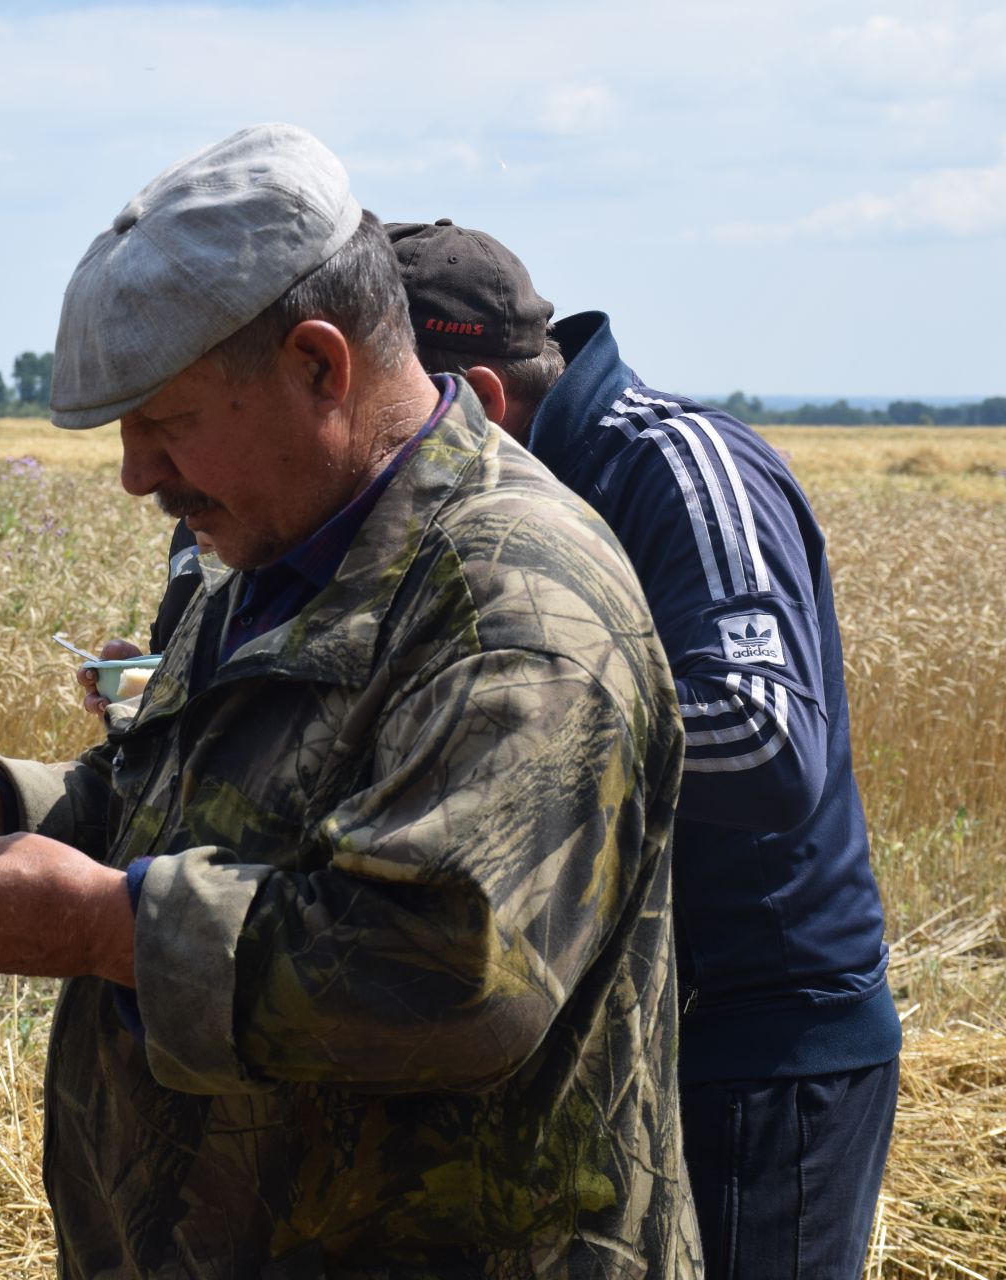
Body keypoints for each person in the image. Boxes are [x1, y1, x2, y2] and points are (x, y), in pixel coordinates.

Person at [0, 124, 700, 1277]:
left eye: (164, 421)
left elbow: (449, 968)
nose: (136, 473)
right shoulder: (270, 550)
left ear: (320, 365)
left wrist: (103, 924)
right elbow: (179, 802)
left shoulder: (513, 606)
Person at [386, 218, 900, 1279]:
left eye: (392, 421)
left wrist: (491, 757)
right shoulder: (477, 502)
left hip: (755, 1044)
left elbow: (767, 744)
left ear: (477, 392)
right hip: (605, 1028)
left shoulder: (679, 467)